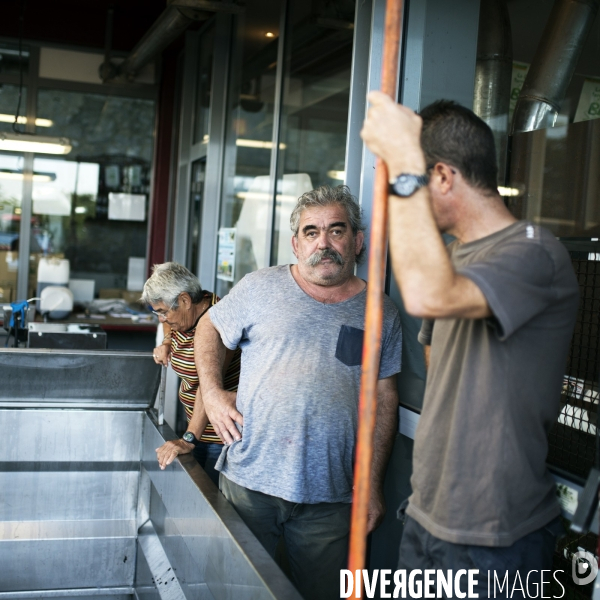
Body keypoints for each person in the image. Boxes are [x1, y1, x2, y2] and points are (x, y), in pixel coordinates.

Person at [361, 94, 579, 595]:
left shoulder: (532, 250)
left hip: (494, 537)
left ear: (440, 176)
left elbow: (424, 294)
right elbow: (439, 363)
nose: (396, 194)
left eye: (410, 178)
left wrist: (404, 164)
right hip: (425, 514)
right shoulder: (454, 258)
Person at [193, 185, 402, 600]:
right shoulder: (260, 288)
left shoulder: (381, 311)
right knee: (234, 589)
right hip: (249, 483)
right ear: (296, 243)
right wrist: (213, 393)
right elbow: (209, 328)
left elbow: (384, 399)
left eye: (336, 231)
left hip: (331, 495)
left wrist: (372, 485)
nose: (323, 243)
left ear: (357, 241)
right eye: (311, 232)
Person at [141, 262, 241, 486]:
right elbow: (167, 321)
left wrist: (188, 439)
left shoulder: (219, 322)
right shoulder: (187, 312)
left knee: (210, 501)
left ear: (185, 300)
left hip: (221, 436)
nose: (162, 320)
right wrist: (167, 341)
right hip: (195, 427)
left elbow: (210, 388)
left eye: (164, 312)